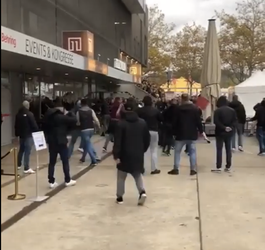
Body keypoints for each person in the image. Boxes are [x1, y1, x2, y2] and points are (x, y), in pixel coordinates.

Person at [113, 98, 150, 205]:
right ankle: (142, 192)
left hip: (124, 154)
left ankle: (120, 197)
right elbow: (146, 139)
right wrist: (143, 149)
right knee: (137, 174)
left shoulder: (121, 124)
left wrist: (116, 155)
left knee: (121, 176)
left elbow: (118, 141)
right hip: (138, 153)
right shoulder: (142, 123)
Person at [168, 94, 207, 176]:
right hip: (191, 134)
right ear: (189, 99)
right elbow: (198, 121)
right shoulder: (195, 109)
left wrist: (173, 132)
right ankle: (192, 169)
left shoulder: (178, 109)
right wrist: (201, 131)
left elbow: (174, 122)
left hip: (180, 134)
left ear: (182, 99)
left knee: (177, 152)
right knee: (192, 152)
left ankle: (176, 168)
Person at [43, 97, 77, 188]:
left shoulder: (48, 117)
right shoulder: (61, 117)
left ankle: (51, 181)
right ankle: (67, 180)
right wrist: (70, 112)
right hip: (61, 142)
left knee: (52, 162)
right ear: (60, 108)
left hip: (51, 142)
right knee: (65, 161)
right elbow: (74, 120)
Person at [137, 95, 162, 174]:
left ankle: (142, 168)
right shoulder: (156, 110)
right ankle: (154, 168)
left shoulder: (139, 111)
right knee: (153, 150)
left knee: (143, 150)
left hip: (142, 132)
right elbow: (161, 119)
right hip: (154, 131)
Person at [213, 96, 237, 172]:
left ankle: (219, 166)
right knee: (228, 149)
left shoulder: (217, 111)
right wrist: (230, 127)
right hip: (229, 132)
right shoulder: (232, 110)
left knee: (219, 149)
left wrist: (223, 127)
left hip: (220, 132)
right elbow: (235, 121)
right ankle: (228, 165)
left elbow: (216, 121)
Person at [14, 101, 39, 174]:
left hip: (21, 135)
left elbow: (16, 125)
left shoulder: (18, 114)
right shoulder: (30, 114)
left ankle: (18, 165)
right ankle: (26, 167)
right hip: (28, 135)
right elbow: (34, 125)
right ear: (27, 106)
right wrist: (36, 130)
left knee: (21, 150)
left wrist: (17, 134)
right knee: (27, 151)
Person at [76, 98, 101, 165]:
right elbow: (96, 119)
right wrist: (99, 127)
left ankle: (94, 159)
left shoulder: (79, 112)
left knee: (88, 144)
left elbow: (78, 122)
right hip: (91, 129)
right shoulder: (91, 110)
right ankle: (83, 158)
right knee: (87, 144)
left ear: (81, 104)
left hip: (84, 130)